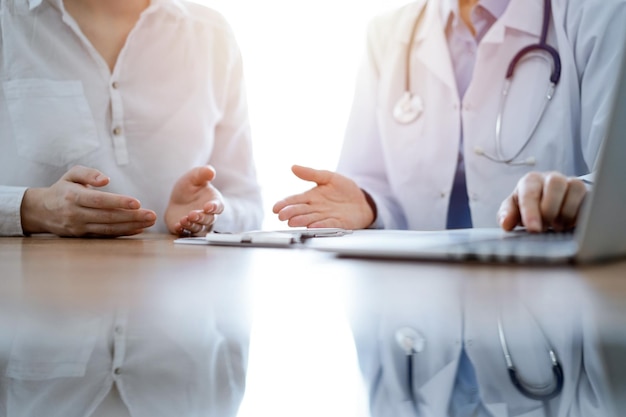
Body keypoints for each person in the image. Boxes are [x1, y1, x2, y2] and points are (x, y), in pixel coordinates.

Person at [273, 0, 626, 235]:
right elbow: (372, 184)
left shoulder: (595, 12)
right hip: (421, 310)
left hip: (553, 299)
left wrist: (582, 196)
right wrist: (368, 205)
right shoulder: (387, 34)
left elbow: (615, 178)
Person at [0, 0, 263, 238]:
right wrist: (32, 209)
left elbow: (248, 205)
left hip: (178, 285)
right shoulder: (7, 21)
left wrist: (208, 213)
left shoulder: (212, 34)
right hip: (30, 286)